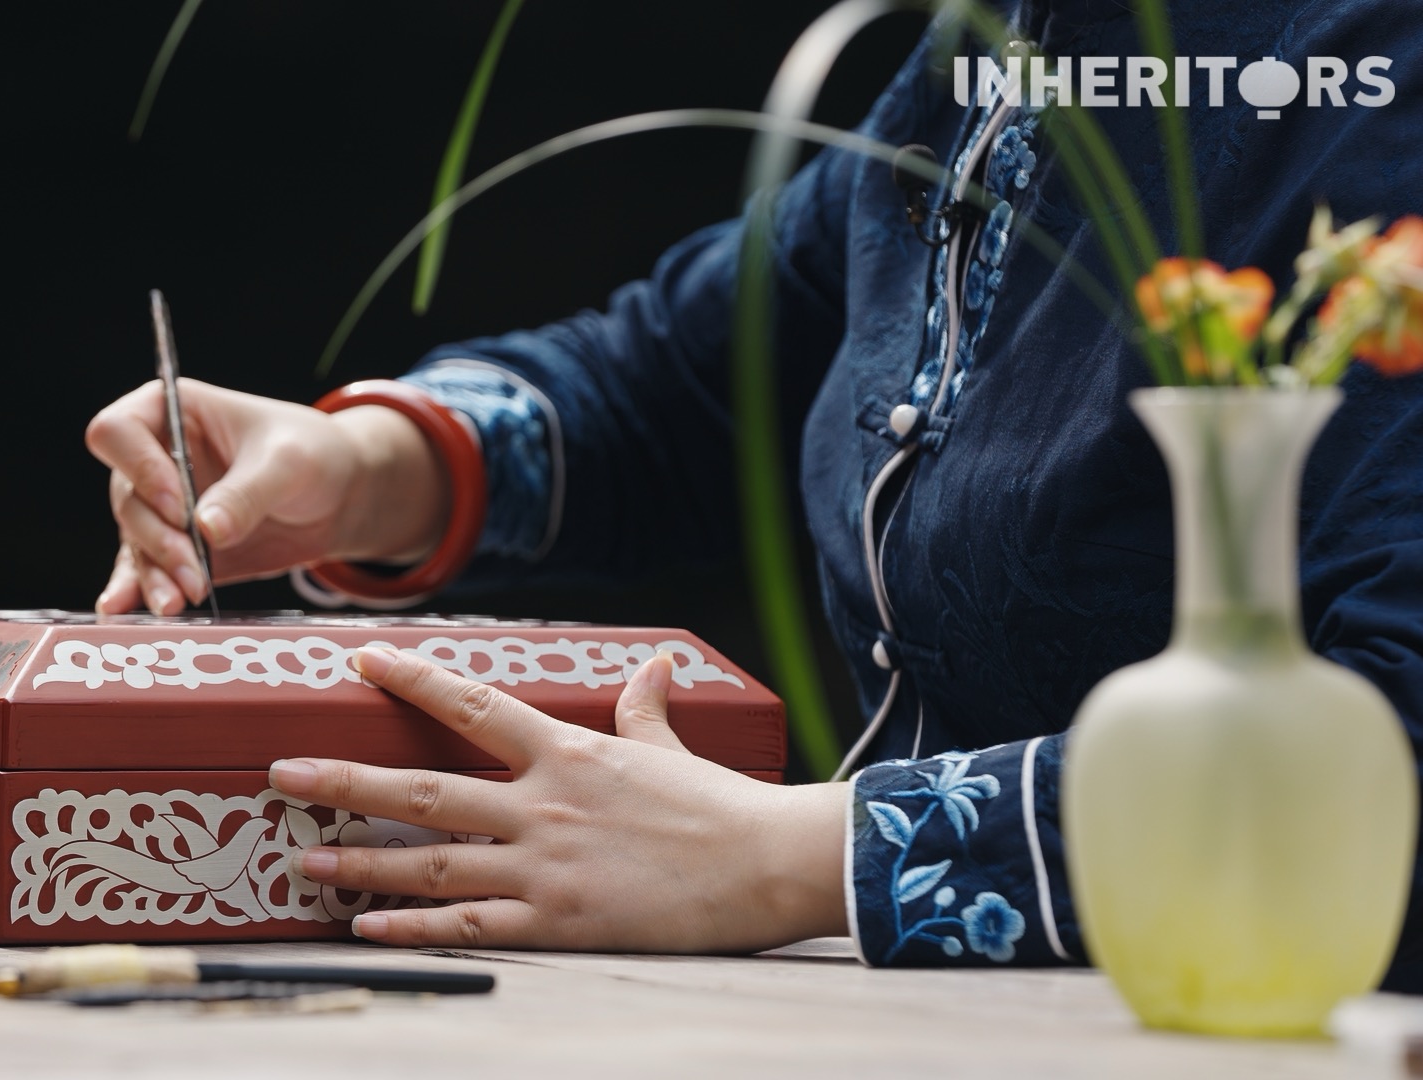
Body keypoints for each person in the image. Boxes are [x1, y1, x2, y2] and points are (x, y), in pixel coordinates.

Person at [84, 0, 1423, 985]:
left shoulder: (1379, 84)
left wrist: (792, 855)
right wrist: (373, 469)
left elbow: (1395, 736)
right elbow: (688, 380)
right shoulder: (985, 61)